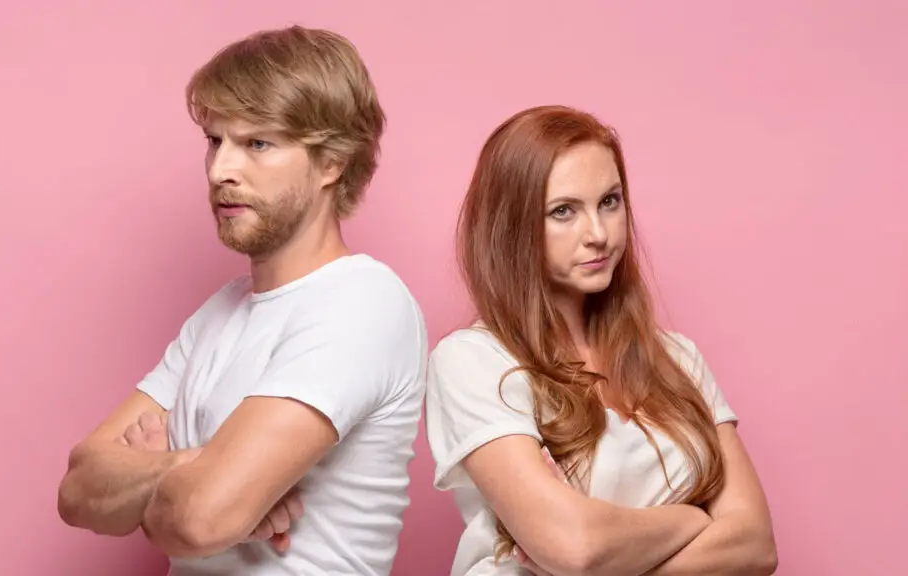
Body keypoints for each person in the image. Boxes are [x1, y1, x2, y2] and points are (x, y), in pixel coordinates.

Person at [57, 25, 428, 576]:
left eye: (258, 143)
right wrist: (191, 466)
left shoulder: (363, 302)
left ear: (332, 162)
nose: (221, 171)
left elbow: (199, 521)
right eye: (215, 141)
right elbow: (78, 489)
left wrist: (168, 484)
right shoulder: (221, 311)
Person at [425, 105, 778, 575]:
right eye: (563, 211)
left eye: (609, 202)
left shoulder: (678, 358)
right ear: (511, 227)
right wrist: (692, 519)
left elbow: (756, 545)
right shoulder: (473, 361)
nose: (598, 234)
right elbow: (576, 547)